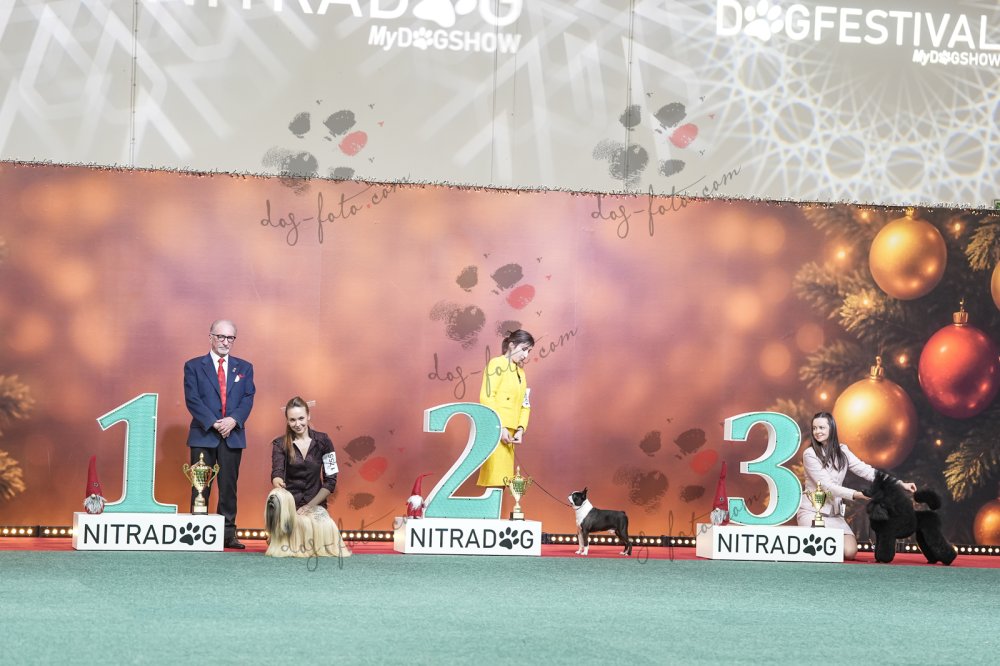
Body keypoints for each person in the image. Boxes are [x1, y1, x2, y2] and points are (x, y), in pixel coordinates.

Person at [796, 411, 916, 560]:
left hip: (834, 515)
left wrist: (899, 483)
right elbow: (827, 486)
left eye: (821, 427)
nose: (817, 432)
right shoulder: (810, 454)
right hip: (812, 512)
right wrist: (857, 495)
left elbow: (866, 470)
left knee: (850, 552)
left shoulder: (843, 451)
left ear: (832, 428)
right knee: (824, 550)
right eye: (814, 428)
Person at [183, 319, 256, 549]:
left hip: (232, 435)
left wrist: (233, 420)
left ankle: (228, 534)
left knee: (228, 487)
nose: (225, 342)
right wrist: (214, 423)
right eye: (221, 337)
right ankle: (197, 532)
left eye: (230, 338)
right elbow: (192, 399)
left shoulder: (245, 368)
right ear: (211, 337)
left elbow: (248, 398)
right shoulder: (193, 366)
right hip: (204, 434)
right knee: (200, 486)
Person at [270, 396, 350, 557]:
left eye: (301, 418)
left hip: (316, 506)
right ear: (287, 421)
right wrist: (276, 480)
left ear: (308, 416)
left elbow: (331, 481)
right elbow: (277, 471)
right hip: (290, 509)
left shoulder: (324, 441)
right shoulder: (279, 444)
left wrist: (310, 506)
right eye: (292, 420)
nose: (297, 424)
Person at [476, 329, 534, 493]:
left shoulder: (521, 372)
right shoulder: (496, 364)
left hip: (510, 434)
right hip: (496, 430)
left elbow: (525, 404)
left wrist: (521, 429)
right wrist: (499, 427)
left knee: (503, 481)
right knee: (495, 479)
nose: (526, 355)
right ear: (511, 345)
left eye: (529, 351)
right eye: (524, 349)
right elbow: (487, 397)